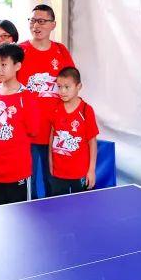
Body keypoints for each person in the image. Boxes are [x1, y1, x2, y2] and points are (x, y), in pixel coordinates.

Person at [18, 4, 75, 198]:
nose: (36, 25)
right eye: (33, 20)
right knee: (30, 184)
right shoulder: (19, 51)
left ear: (53, 25)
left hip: (56, 131)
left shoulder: (61, 51)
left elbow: (71, 85)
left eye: (42, 21)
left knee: (55, 182)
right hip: (28, 131)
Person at [0, 43, 39, 207]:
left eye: (4, 64)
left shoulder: (27, 97)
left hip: (16, 172)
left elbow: (34, 130)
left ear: (17, 66)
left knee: (19, 217)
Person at [47, 67, 98, 196]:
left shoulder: (86, 110)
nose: (62, 91)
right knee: (58, 205)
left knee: (82, 206)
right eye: (59, 87)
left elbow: (92, 142)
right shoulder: (55, 109)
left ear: (78, 86)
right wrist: (51, 164)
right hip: (58, 173)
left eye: (67, 87)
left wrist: (91, 170)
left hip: (79, 173)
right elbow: (52, 138)